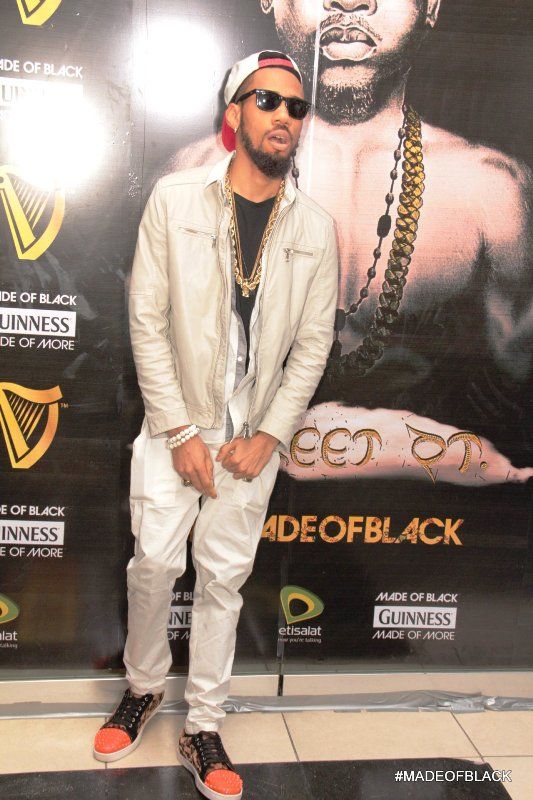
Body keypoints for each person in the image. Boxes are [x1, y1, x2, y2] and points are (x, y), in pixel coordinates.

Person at [92, 50, 338, 800]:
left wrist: (269, 434)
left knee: (223, 583)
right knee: (153, 567)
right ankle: (142, 687)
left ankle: (203, 724)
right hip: (177, 426)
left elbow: (313, 345)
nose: (285, 117)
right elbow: (146, 320)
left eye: (297, 107)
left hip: (251, 441)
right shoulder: (174, 200)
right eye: (268, 101)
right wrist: (177, 433)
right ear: (235, 114)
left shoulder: (316, 226)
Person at [171, 0, 532, 483]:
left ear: (431, 7)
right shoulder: (192, 182)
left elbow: (517, 398)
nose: (348, 1)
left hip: (422, 515)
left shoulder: (494, 192)